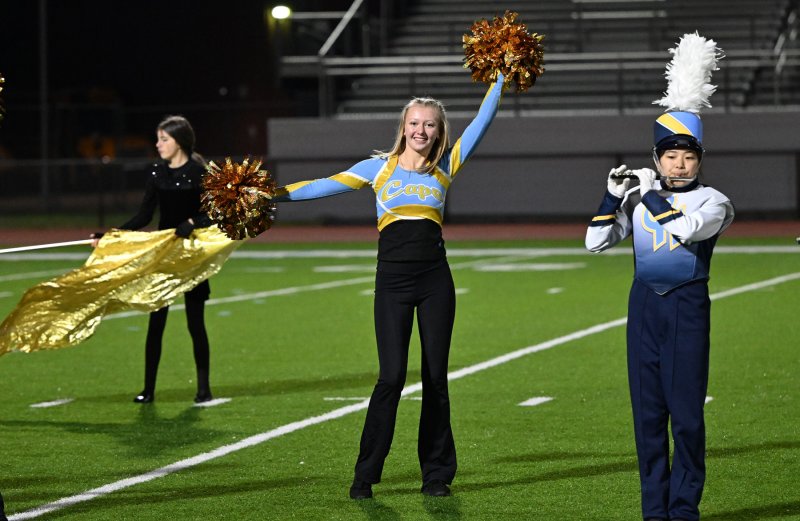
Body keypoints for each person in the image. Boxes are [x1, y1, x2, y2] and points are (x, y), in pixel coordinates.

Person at [269, 74, 505, 499]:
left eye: (429, 124)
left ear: (439, 131)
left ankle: (436, 475)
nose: (421, 130)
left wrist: (502, 75)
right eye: (414, 123)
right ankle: (365, 475)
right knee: (391, 377)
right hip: (392, 282)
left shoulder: (446, 166)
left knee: (435, 378)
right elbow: (320, 186)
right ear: (403, 127)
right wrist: (268, 195)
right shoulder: (378, 168)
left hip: (435, 282)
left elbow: (482, 121)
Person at [585, 109, 734, 521]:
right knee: (647, 416)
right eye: (670, 157)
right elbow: (595, 241)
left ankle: (683, 509)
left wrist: (649, 195)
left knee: (686, 417)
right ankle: (654, 510)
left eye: (688, 157)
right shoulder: (637, 201)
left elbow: (686, 229)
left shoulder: (715, 201)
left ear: (700, 160)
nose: (679, 165)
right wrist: (613, 196)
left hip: (687, 307)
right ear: (656, 159)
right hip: (644, 307)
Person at [93, 115, 214, 404]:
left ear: (179, 142)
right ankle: (148, 390)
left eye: (164, 139)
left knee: (195, 324)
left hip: (192, 255)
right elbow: (144, 216)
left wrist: (192, 222)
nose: (158, 144)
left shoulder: (199, 173)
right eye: (158, 139)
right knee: (155, 323)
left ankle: (203, 389)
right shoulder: (158, 172)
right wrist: (111, 235)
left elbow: (214, 213)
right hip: (165, 255)